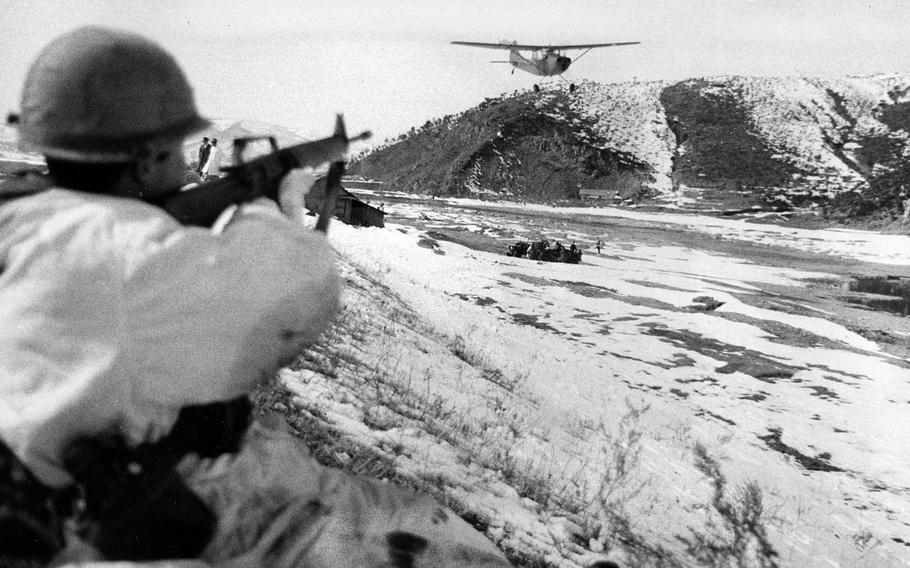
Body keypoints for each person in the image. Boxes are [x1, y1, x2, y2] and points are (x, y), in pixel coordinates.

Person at [0, 26, 511, 568]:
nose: (183, 163)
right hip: (119, 523)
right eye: (176, 148)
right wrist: (266, 205)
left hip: (40, 494)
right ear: (146, 159)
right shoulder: (132, 249)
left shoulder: (22, 216)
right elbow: (304, 292)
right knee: (445, 545)